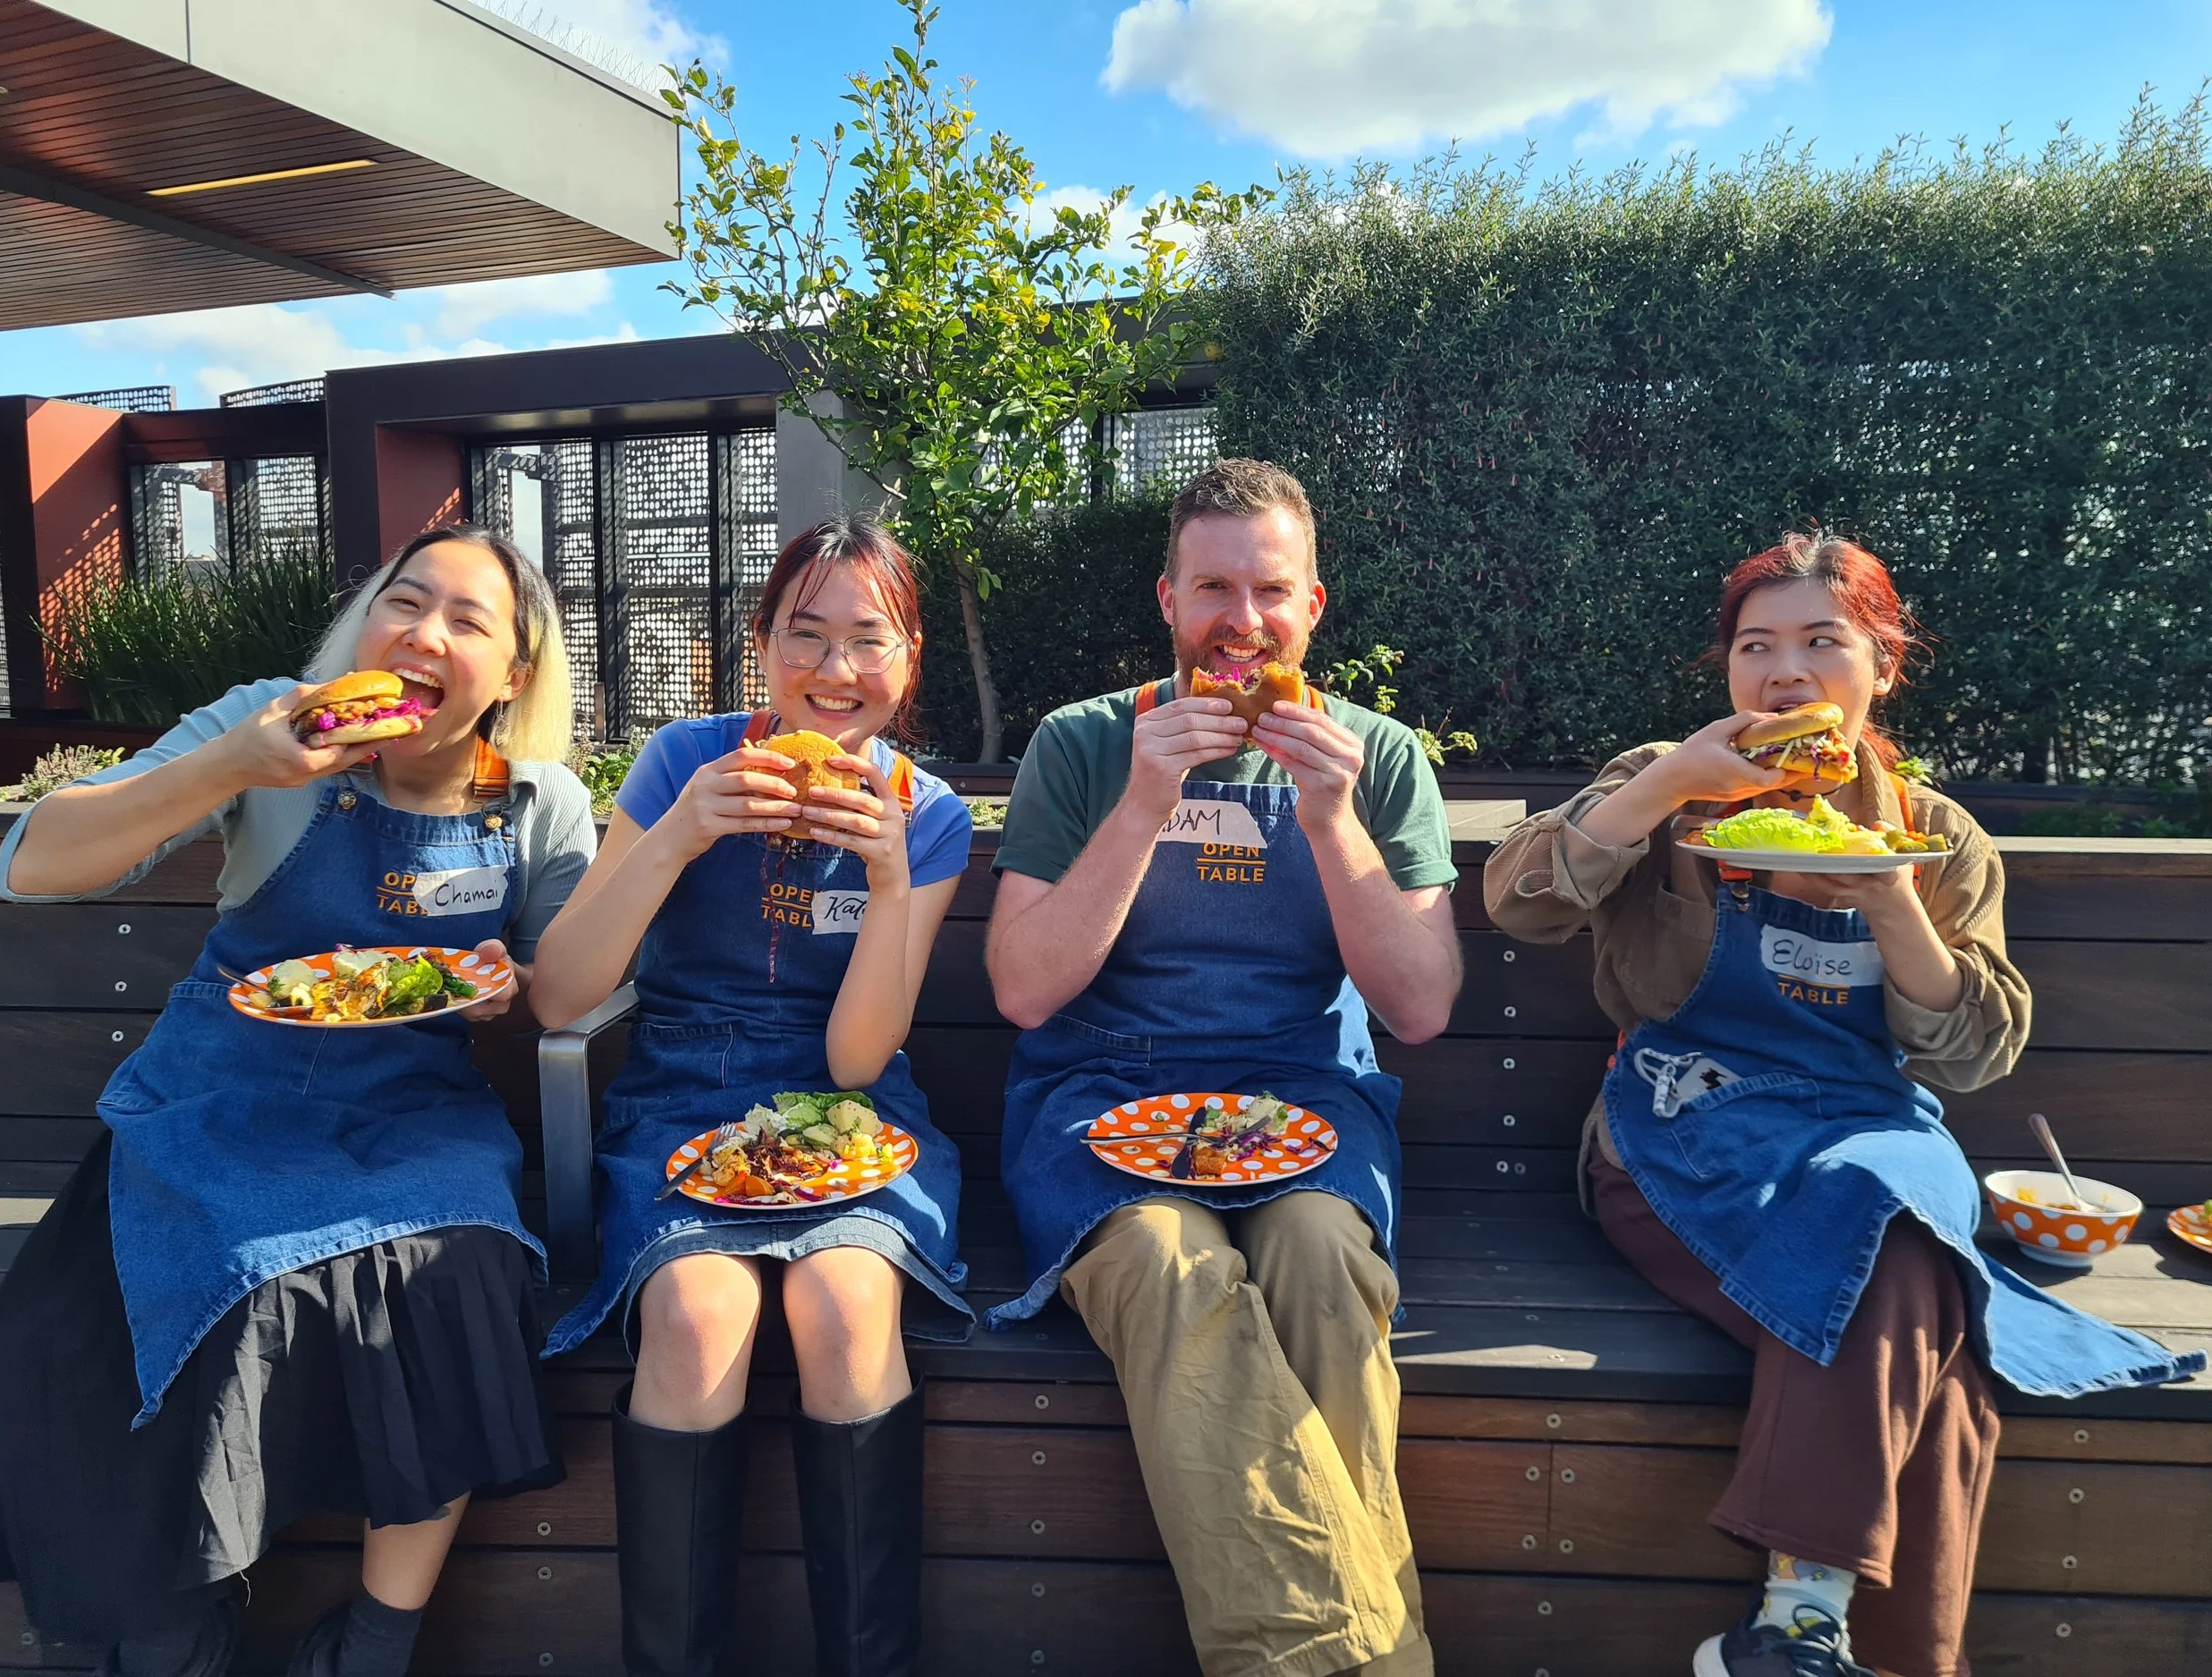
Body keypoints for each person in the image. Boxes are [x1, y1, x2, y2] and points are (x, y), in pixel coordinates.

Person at [1484, 531, 2202, 1677]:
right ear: (1725, 670)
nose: (1785, 673)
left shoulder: (1934, 835)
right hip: (1679, 1135)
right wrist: (1667, 783)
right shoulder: (1667, 786)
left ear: (1880, 665)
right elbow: (1518, 903)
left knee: (1881, 1206)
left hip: (1869, 1132)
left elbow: (1972, 1055)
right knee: (1941, 1354)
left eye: (1823, 642)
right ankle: (1855, 1647)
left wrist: (1890, 902)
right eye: (1755, 646)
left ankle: (1797, 1632)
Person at [0, 526, 594, 1677]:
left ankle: (374, 1638)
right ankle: (171, 1628)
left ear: (511, 675)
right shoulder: (271, 723)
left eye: (469, 621)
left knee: (458, 1276)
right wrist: (235, 767)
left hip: (415, 1114)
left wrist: (506, 985)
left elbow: (562, 979)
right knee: (133, 1304)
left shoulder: (538, 804)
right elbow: (32, 861)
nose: (423, 634)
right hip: (217, 1092)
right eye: (403, 603)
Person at [984, 459, 1463, 1677]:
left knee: (1316, 1256)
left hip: (1303, 1091)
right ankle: (1366, 1657)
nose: (1240, 622)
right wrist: (1147, 799)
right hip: (1100, 1089)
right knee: (1165, 1259)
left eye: (1269, 590)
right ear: (1167, 600)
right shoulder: (1087, 744)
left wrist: (1332, 822)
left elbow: (1418, 1007)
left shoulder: (1378, 756)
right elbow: (1025, 988)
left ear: (1314, 606)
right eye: (1213, 587)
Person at [533, 514, 973, 1677]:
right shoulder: (683, 759)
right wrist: (677, 835)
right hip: (681, 1084)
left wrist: (886, 878)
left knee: (841, 1305)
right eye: (805, 634)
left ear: (909, 655)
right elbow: (561, 991)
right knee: (694, 1316)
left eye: (867, 639)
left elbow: (857, 1062)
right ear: (763, 645)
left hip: (848, 1112)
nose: (835, 671)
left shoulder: (923, 813)